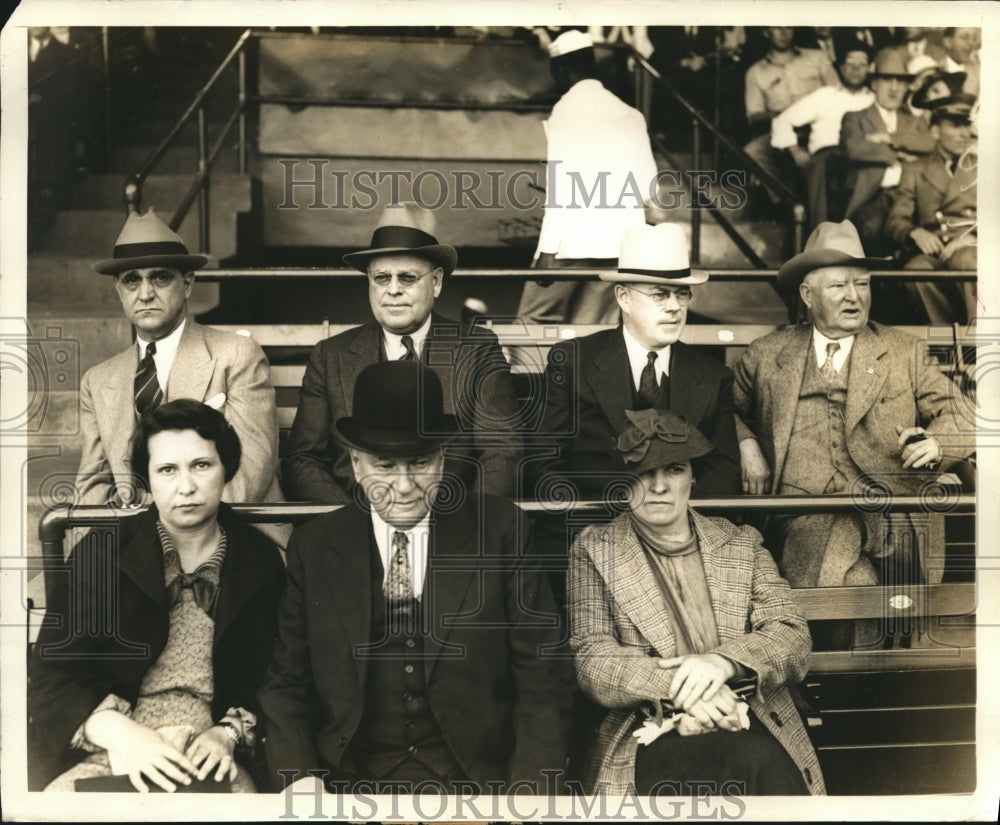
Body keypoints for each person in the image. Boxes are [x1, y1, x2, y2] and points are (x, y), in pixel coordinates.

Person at [259, 361, 572, 794]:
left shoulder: (501, 531)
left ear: (442, 460)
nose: (404, 486)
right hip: (348, 786)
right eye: (385, 466)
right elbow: (285, 684)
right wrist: (301, 780)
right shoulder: (314, 547)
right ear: (355, 462)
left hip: (478, 785)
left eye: (420, 463)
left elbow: (544, 675)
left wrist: (530, 792)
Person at [734, 221, 976, 643]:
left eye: (862, 284)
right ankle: (858, 690)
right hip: (806, 513)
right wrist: (746, 442)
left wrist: (937, 442)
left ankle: (835, 693)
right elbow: (721, 410)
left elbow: (968, 415)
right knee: (848, 577)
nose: (854, 296)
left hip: (893, 509)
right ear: (807, 296)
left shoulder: (902, 351)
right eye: (839, 287)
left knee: (855, 582)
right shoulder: (767, 355)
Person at [29, 400, 287, 792]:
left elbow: (277, 677)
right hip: (110, 746)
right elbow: (51, 674)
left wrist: (228, 734)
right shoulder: (101, 553)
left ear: (226, 468)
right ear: (147, 478)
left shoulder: (261, 560)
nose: (186, 487)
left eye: (202, 465)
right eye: (167, 469)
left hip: (212, 753)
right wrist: (119, 732)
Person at [568, 409, 824, 796]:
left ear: (692, 477)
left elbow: (791, 634)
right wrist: (684, 688)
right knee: (749, 761)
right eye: (643, 472)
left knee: (751, 757)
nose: (658, 486)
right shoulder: (594, 549)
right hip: (646, 728)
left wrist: (722, 665)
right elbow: (593, 659)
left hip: (750, 713)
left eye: (673, 469)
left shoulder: (740, 542)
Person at [283, 202, 522, 502]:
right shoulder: (331, 356)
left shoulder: (477, 349)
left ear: (435, 282)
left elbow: (501, 451)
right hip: (356, 524)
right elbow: (303, 459)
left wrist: (470, 529)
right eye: (382, 277)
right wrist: (348, 529)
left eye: (407, 277)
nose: (392, 289)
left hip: (452, 525)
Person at [76, 209, 285, 524]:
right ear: (119, 290)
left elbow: (249, 476)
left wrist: (172, 536)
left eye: (160, 277)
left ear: (187, 284)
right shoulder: (98, 380)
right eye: (132, 281)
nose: (145, 294)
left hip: (233, 535)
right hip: (140, 546)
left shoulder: (236, 355)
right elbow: (92, 487)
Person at [533, 221, 741, 502]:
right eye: (659, 294)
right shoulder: (573, 362)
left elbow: (723, 477)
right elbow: (544, 466)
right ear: (623, 297)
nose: (674, 306)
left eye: (682, 294)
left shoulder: (713, 375)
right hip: (592, 529)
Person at [515, 30, 658, 325]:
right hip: (619, 245)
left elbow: (561, 188)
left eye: (555, 72)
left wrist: (547, 250)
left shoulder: (566, 110)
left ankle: (524, 373)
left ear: (562, 69)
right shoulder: (630, 114)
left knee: (532, 322)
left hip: (571, 245)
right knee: (593, 331)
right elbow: (648, 187)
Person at [885, 95, 978, 324]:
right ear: (935, 131)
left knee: (966, 260)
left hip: (972, 247)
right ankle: (946, 339)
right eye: (955, 126)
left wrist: (972, 238)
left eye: (966, 125)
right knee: (915, 270)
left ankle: (983, 340)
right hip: (935, 251)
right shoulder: (915, 170)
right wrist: (914, 232)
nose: (964, 134)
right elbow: (895, 221)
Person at [769, 37, 875, 226]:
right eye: (850, 63)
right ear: (840, 67)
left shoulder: (873, 100)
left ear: (869, 69)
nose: (856, 69)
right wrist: (794, 150)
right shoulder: (825, 95)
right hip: (826, 158)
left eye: (862, 64)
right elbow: (781, 121)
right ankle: (820, 240)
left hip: (861, 159)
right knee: (824, 171)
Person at [840, 47, 935, 255]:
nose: (894, 88)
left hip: (910, 198)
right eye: (887, 80)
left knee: (923, 238)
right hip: (873, 197)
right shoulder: (855, 118)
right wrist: (899, 155)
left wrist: (890, 139)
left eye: (900, 81)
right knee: (871, 230)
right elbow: (853, 148)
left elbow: (930, 143)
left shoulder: (915, 121)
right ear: (874, 84)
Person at [742, 26, 839, 212]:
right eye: (777, 28)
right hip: (780, 129)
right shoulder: (755, 72)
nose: (784, 33)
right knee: (753, 151)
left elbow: (837, 93)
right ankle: (786, 204)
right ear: (766, 32)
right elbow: (754, 115)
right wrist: (786, 115)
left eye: (788, 27)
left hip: (819, 125)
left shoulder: (817, 57)